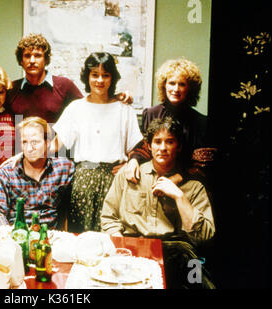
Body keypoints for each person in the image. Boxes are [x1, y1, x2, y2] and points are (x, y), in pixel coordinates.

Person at [101, 116, 216, 288]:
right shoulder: (128, 175)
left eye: (170, 142)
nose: (163, 148)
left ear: (179, 147)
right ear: (149, 146)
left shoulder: (193, 186)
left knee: (201, 282)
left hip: (178, 252)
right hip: (132, 247)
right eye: (157, 141)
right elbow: (109, 218)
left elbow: (203, 237)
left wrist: (179, 196)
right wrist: (120, 247)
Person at [51, 52, 143, 232]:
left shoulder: (124, 108)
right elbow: (54, 146)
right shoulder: (76, 108)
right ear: (87, 76)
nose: (100, 80)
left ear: (112, 78)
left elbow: (137, 147)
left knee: (113, 235)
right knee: (81, 236)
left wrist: (131, 162)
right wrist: (22, 155)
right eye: (95, 75)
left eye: (105, 75)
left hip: (115, 179)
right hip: (84, 179)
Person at [6, 33, 133, 124]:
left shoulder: (64, 86)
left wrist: (115, 98)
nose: (32, 60)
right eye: (27, 56)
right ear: (21, 60)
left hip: (59, 156)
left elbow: (89, 107)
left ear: (46, 59)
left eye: (37, 55)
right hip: (23, 156)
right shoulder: (12, 89)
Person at [126, 58, 214, 186]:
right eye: (172, 83)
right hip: (155, 180)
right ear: (164, 85)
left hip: (188, 184)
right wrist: (134, 160)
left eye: (182, 84)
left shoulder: (201, 122)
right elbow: (144, 148)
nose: (176, 89)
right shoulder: (151, 114)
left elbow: (203, 165)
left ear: (190, 88)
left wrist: (178, 177)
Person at [0, 116, 75, 229]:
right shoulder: (7, 173)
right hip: (15, 236)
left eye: (35, 142)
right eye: (25, 142)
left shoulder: (64, 168)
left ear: (47, 143)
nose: (29, 148)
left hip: (49, 238)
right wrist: (8, 236)